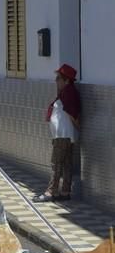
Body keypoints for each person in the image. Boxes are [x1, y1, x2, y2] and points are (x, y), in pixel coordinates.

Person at [34, 64, 81, 203]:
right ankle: (65, 191)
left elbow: (73, 112)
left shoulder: (68, 92)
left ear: (67, 80)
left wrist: (77, 126)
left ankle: (51, 192)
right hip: (65, 135)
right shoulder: (67, 91)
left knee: (56, 163)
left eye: (59, 78)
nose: (56, 80)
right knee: (66, 164)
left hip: (63, 135)